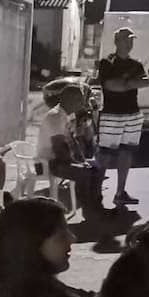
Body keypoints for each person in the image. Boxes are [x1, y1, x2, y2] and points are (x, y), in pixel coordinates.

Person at [39, 85, 110, 218]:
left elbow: (72, 141)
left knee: (98, 168)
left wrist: (83, 159)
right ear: (69, 100)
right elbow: (59, 148)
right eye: (79, 100)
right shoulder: (55, 117)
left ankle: (96, 206)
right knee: (84, 172)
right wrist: (78, 163)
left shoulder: (66, 115)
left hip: (59, 159)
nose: (82, 104)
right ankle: (88, 209)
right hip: (49, 161)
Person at [98, 26, 149, 206]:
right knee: (105, 155)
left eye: (131, 40)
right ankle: (96, 192)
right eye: (126, 39)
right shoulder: (107, 62)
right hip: (112, 114)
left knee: (126, 153)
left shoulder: (136, 64)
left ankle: (120, 192)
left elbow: (145, 82)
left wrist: (124, 83)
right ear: (116, 41)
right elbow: (111, 85)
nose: (129, 43)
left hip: (133, 114)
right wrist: (131, 83)